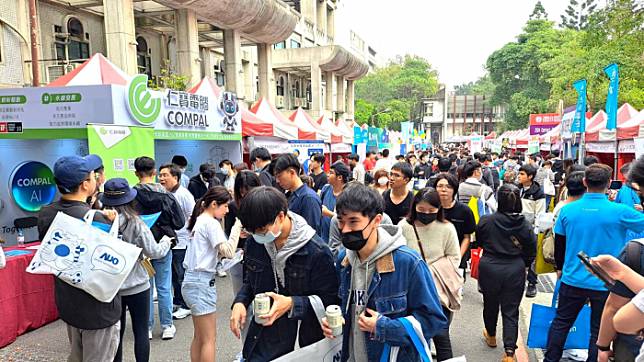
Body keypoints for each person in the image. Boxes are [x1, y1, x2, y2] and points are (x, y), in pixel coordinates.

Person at [320, 183, 447, 361]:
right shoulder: (344, 260)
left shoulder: (408, 263)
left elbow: (433, 320)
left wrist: (384, 327)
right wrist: (335, 318)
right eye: (340, 221)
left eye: (353, 221)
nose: (345, 229)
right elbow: (344, 304)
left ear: (376, 220)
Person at [545, 164, 644, 362]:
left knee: (561, 323)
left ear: (584, 182)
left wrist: (560, 269)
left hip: (572, 277)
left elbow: (560, 245)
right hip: (605, 281)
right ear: (609, 184)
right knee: (598, 329)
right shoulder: (620, 211)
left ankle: (550, 359)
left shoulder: (567, 210)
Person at [230, 187, 339, 361]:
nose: (259, 236)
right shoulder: (254, 244)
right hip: (265, 339)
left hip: (305, 342)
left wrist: (291, 303)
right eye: (253, 232)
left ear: (281, 216)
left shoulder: (316, 252)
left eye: (262, 230)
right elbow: (251, 282)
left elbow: (330, 301)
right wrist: (240, 302)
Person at [38, 155, 121, 361]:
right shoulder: (101, 220)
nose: (96, 179)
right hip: (99, 309)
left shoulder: (46, 213)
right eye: (94, 176)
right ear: (85, 184)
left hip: (69, 304)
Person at [101, 178, 172, 362]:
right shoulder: (136, 223)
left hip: (111, 286)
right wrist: (166, 241)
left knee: (116, 333)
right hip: (137, 285)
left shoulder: (99, 221)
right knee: (141, 331)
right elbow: (154, 252)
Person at [476, 184, 536, 362]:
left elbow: (479, 241)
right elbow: (531, 250)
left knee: (490, 303)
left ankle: (492, 335)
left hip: (489, 266)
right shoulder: (524, 224)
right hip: (514, 268)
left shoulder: (486, 220)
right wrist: (521, 264)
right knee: (511, 310)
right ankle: (509, 352)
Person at [398, 187, 460, 361]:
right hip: (409, 291)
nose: (426, 214)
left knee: (441, 336)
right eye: (422, 210)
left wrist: (427, 272)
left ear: (439, 209)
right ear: (414, 207)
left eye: (431, 211)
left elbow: (454, 258)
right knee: (414, 336)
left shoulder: (447, 229)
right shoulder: (403, 227)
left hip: (437, 291)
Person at [182, 186, 237, 362]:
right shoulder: (211, 223)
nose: (227, 210)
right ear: (214, 204)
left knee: (199, 337)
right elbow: (228, 251)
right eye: (226, 206)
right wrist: (237, 227)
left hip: (192, 281)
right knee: (209, 339)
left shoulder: (200, 220)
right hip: (201, 283)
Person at [133, 157, 185, 340]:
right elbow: (179, 222)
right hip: (163, 245)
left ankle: (146, 327)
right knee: (164, 287)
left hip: (140, 250)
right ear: (154, 173)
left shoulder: (130, 196)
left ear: (135, 173)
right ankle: (167, 326)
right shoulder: (166, 195)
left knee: (146, 287)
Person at [158, 163, 196, 320]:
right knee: (174, 275)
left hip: (182, 241)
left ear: (175, 177)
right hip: (171, 241)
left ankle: (187, 305)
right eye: (160, 175)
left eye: (165, 175)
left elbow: (193, 215)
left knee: (181, 274)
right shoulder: (164, 193)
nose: (161, 178)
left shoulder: (183, 194)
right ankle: (178, 301)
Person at [434, 173, 477, 279]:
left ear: (454, 190)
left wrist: (457, 258)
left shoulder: (464, 211)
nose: (443, 190)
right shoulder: (430, 209)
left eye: (448, 187)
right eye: (440, 186)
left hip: (457, 256)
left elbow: (467, 237)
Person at [273, 153, 322, 234]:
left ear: (292, 173)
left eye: (279, 176)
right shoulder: (288, 195)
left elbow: (311, 235)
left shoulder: (308, 198)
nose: (277, 181)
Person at [517, 164, 545, 298]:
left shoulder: (538, 192)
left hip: (531, 230)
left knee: (533, 258)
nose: (519, 177)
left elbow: (540, 213)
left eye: (522, 174)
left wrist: (535, 231)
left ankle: (532, 283)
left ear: (530, 176)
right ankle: (518, 281)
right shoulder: (517, 189)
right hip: (517, 228)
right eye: (519, 174)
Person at [320, 162, 350, 244]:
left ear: (340, 177)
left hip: (340, 240)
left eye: (331, 173)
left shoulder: (349, 194)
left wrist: (329, 213)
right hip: (324, 237)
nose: (327, 175)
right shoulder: (325, 189)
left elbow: (349, 219)